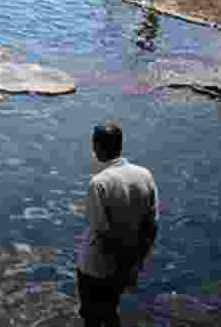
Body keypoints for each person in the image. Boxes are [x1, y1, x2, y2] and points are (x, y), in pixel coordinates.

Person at [77, 122, 158, 327]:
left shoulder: (99, 183)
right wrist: (134, 264)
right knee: (111, 311)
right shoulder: (144, 175)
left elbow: (102, 234)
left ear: (97, 146)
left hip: (96, 267)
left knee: (91, 317)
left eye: (94, 144)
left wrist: (121, 265)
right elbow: (152, 225)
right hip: (126, 264)